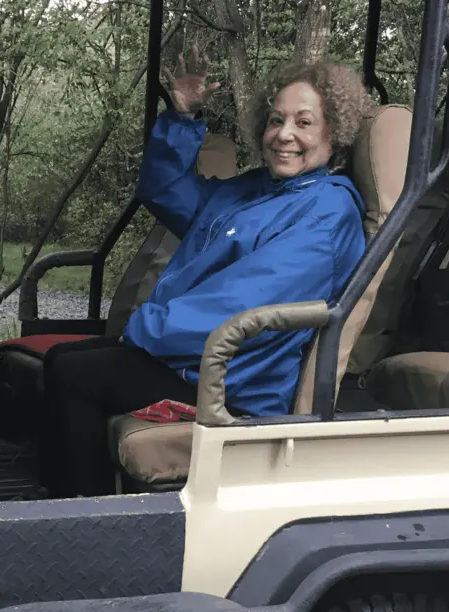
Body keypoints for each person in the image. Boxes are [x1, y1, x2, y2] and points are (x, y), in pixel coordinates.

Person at [39, 47, 375, 498]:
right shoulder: (256, 189)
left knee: (75, 376)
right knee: (62, 357)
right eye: (276, 120)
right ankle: (55, 500)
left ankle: (88, 522)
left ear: (336, 130)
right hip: (198, 356)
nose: (284, 135)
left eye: (304, 122)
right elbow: (164, 192)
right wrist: (181, 118)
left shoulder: (327, 210)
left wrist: (144, 328)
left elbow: (245, 306)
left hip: (234, 379)